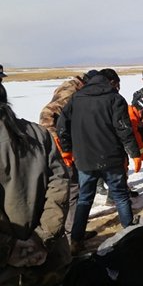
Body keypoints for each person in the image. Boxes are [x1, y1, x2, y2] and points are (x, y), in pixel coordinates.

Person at [56, 68, 140, 255]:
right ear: (110, 82)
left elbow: (61, 125)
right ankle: (130, 234)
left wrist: (67, 150)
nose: (118, 88)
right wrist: (135, 153)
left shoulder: (76, 98)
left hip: (84, 160)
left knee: (85, 199)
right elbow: (124, 130)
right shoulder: (114, 99)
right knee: (120, 196)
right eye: (117, 84)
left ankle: (76, 241)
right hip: (111, 159)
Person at [0, 83, 71, 285]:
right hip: (50, 259)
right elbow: (60, 185)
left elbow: (59, 183)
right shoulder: (38, 133)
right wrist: (43, 237)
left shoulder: (38, 134)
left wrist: (9, 248)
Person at [38, 69, 99, 243]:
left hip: (68, 144)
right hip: (60, 148)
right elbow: (47, 114)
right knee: (72, 188)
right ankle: (71, 236)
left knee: (74, 187)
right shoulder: (71, 92)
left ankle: (72, 230)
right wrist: (58, 145)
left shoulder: (75, 89)